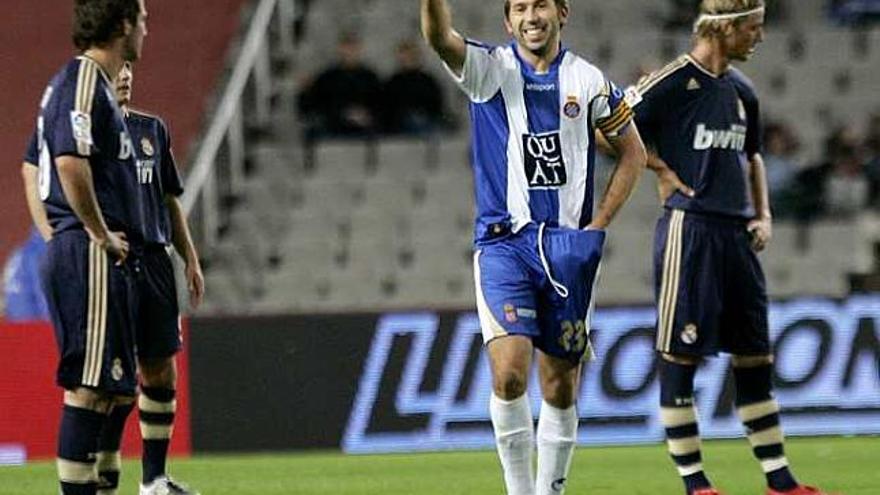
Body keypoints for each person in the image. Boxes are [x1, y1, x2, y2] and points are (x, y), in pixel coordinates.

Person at [421, 1, 647, 494]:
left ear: (562, 12)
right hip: (505, 245)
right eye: (519, 7)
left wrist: (597, 224)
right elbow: (439, 37)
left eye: (540, 4)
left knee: (560, 386)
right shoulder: (489, 70)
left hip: (568, 247)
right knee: (508, 376)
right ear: (508, 22)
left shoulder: (587, 81)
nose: (531, 15)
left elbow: (634, 152)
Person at [627, 1, 835, 494]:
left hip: (737, 235)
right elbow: (609, 128)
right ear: (725, 28)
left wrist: (763, 214)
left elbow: (754, 156)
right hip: (690, 229)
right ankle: (696, 485)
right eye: (753, 29)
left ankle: (780, 481)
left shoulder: (744, 91)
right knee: (680, 356)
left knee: (754, 355)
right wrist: (660, 170)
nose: (759, 38)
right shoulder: (672, 82)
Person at [23, 62, 204, 494]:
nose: (123, 74)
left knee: (160, 369)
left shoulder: (150, 129)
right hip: (111, 257)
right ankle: (105, 480)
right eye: (116, 67)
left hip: (153, 256)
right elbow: (33, 170)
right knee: (111, 385)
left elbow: (168, 198)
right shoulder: (79, 124)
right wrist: (53, 232)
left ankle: (154, 480)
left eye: (129, 68)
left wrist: (189, 258)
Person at [25, 0, 147, 493]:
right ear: (121, 24)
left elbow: (33, 165)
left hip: (89, 249)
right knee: (89, 388)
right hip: (91, 251)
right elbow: (69, 164)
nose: (145, 28)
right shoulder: (81, 79)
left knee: (113, 392)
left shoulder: (95, 87)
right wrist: (92, 232)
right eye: (141, 19)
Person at [298, 31, 382, 139]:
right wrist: (305, 89)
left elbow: (380, 103)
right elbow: (312, 105)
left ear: (359, 49)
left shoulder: (370, 76)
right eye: (346, 46)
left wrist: (366, 115)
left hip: (364, 128)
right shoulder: (327, 76)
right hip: (334, 127)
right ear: (340, 49)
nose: (350, 51)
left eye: (353, 47)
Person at [382, 39, 447, 135]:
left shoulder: (428, 80)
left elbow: (436, 104)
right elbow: (388, 107)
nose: (407, 59)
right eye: (404, 55)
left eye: (410, 55)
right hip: (401, 122)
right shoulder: (394, 81)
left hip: (427, 119)